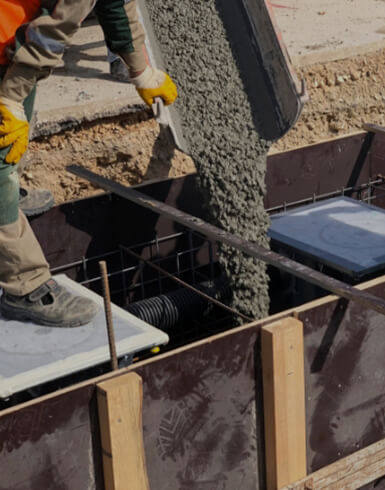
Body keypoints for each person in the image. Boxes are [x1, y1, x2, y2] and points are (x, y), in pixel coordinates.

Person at [0, 0, 178, 328]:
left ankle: (10, 194)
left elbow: (113, 1)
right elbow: (54, 31)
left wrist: (141, 69)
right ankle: (24, 286)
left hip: (13, 32)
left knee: (16, 114)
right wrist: (10, 94)